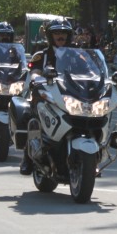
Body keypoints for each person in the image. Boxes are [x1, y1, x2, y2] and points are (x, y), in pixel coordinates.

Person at [20, 18, 74, 175]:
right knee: (31, 116)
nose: (60, 36)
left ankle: (93, 157)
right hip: (46, 95)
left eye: (64, 33)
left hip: (70, 95)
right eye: (57, 33)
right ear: (50, 36)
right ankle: (27, 158)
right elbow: (34, 71)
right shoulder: (41, 55)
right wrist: (37, 77)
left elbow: (90, 71)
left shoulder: (77, 54)